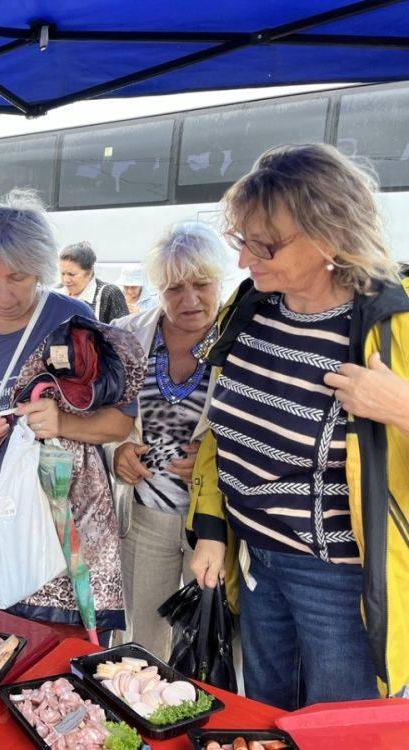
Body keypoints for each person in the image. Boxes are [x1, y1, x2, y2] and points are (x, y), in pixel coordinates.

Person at [188, 143, 409, 707]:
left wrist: (399, 406)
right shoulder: (251, 307)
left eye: (264, 244)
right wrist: (212, 527)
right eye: (242, 241)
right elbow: (220, 430)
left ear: (330, 233)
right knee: (266, 716)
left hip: (344, 582)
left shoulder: (393, 322)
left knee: (339, 731)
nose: (244, 261)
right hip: (257, 562)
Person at [0, 191, 135, 627]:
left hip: (59, 531)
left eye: (16, 277)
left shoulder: (72, 321)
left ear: (40, 269)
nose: (3, 293)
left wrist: (65, 422)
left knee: (56, 655)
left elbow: (120, 421)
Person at [107, 222, 226, 659]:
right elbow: (102, 418)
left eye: (201, 284)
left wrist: (215, 464)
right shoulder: (127, 336)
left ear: (219, 281)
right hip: (146, 515)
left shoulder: (239, 340)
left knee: (208, 640)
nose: (190, 299)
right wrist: (116, 453)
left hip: (213, 520)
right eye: (175, 287)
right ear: (158, 288)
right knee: (142, 638)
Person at [59, 241, 128, 323]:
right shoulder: (57, 292)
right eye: (62, 273)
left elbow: (123, 333)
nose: (66, 280)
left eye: (72, 274)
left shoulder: (108, 293)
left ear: (90, 271)